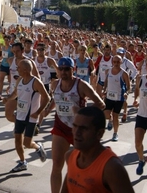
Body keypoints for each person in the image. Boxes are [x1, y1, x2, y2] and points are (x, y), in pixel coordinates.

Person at [45, 57, 105, 193]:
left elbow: (101, 104)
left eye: (67, 69)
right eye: (61, 69)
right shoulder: (55, 84)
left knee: (80, 168)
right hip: (61, 127)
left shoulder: (81, 85)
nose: (64, 72)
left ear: (73, 70)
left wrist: (83, 112)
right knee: (56, 166)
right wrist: (48, 109)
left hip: (79, 130)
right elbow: (56, 99)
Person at [61, 107, 134, 193]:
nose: (77, 133)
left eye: (83, 128)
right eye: (75, 126)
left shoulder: (112, 168)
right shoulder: (70, 156)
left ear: (99, 133)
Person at [2, 59, 51, 172]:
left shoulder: (36, 82)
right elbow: (15, 93)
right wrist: (8, 99)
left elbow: (47, 97)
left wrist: (38, 112)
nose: (16, 69)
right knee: (17, 140)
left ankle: (38, 147)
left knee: (27, 143)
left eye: (18, 67)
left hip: (31, 117)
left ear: (25, 69)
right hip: (20, 115)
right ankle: (23, 162)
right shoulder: (20, 80)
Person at [5, 42, 40, 122]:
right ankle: (19, 124)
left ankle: (21, 127)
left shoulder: (29, 62)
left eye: (17, 51)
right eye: (13, 51)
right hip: (13, 91)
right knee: (8, 114)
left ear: (22, 51)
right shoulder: (10, 60)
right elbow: (11, 75)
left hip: (26, 91)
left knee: (25, 114)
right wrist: (9, 85)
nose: (15, 53)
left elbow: (37, 77)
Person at [102, 55, 130, 141]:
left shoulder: (124, 73)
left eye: (118, 62)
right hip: (109, 97)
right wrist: (104, 90)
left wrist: (126, 93)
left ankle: (115, 133)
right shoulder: (108, 71)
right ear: (112, 62)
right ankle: (109, 120)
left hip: (119, 98)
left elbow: (129, 87)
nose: (116, 63)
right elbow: (106, 82)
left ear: (121, 62)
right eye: (114, 62)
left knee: (115, 115)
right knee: (106, 114)